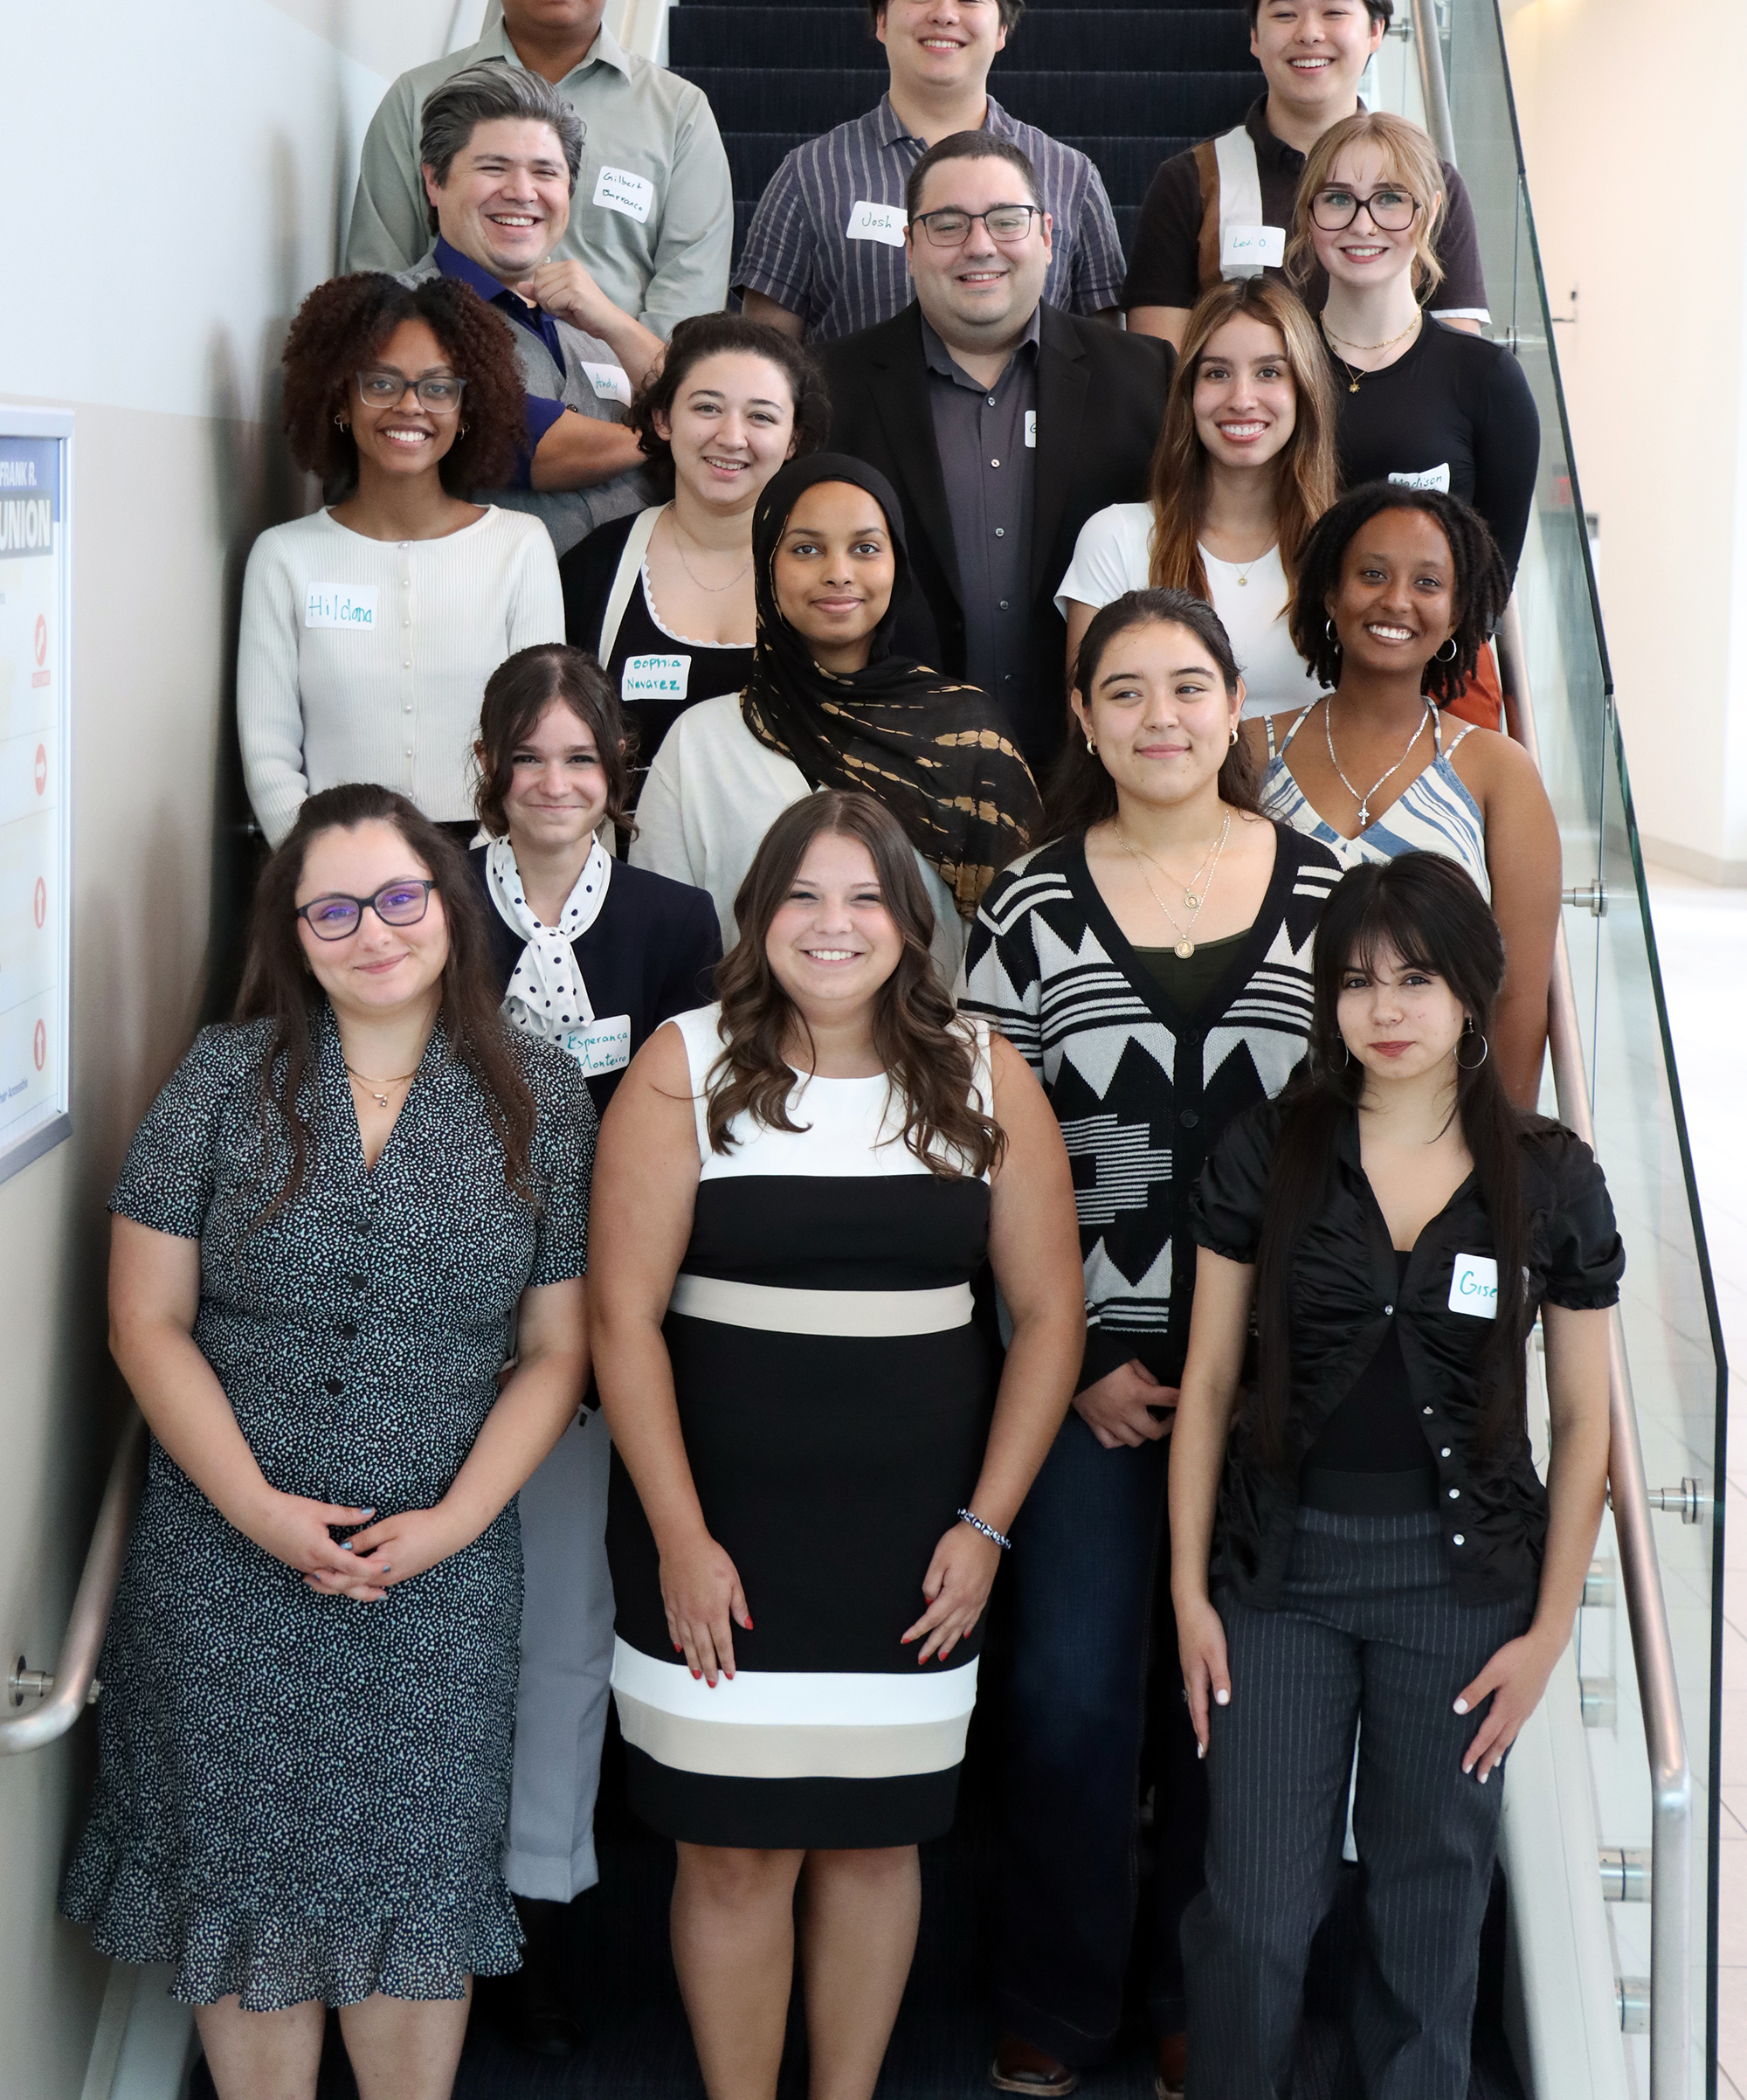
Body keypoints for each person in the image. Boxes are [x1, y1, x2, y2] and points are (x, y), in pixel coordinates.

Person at [60, 785, 592, 2099]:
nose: (374, 931)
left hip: (442, 1576)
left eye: (401, 897)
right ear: (295, 933)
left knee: (416, 1914)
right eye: (335, 909)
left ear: (448, 908)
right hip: (225, 1573)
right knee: (247, 1916)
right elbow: (143, 1322)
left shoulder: (543, 1094)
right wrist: (258, 1510)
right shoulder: (220, 1078)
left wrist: (456, 1523)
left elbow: (557, 1353)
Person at [590, 790, 1086, 2100]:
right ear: (757, 919)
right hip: (715, 1538)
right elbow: (620, 1321)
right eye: (803, 896)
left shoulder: (988, 1073)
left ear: (910, 925)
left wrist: (986, 1532)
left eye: (865, 896)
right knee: (732, 1854)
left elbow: (1047, 1322)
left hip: (918, 1546)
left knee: (876, 1846)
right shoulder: (679, 1064)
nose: (834, 923)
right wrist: (680, 1542)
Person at [961, 589, 1342, 2100]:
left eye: (1189, 686)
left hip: (1273, 1388)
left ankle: (1197, 1992)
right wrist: (1070, 1353)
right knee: (1066, 1690)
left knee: (1226, 1700)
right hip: (1084, 1377)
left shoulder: (1330, 899)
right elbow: (980, 1142)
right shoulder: (1032, 904)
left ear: (1236, 704)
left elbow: (1375, 1136)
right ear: (1087, 716)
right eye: (1126, 692)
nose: (1161, 716)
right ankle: (1056, 1999)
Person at [1171, 852, 1619, 2099]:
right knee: (1257, 1911)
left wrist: (1547, 1633)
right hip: (1281, 1576)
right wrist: (1189, 1592)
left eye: (1417, 978)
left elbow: (1585, 1422)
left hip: (1465, 1589)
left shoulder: (1552, 1173)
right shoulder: (1271, 1150)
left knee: (1432, 1913)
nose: (1387, 1009)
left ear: (1474, 992)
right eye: (1359, 981)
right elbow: (1206, 1388)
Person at [466, 645, 719, 2056]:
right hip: (461, 1318)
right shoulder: (429, 900)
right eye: (529, 758)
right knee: (456, 1621)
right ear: (489, 774)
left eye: (582, 759)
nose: (557, 785)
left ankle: (541, 1916)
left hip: (625, 1305)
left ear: (618, 773)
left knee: (568, 1621)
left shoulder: (674, 922)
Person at [821, 129, 1170, 772]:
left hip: (1097, 771)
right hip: (897, 768)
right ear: (909, 245)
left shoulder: (1145, 380)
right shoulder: (829, 389)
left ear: (1046, 235)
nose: (979, 245)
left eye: (1006, 221)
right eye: (948, 224)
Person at [632, 453, 1042, 986]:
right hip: (739, 1060)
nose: (838, 573)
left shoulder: (967, 737)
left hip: (931, 1059)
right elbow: (663, 950)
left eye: (866, 548)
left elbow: (1014, 954)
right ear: (766, 564)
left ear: (898, 564)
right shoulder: (699, 744)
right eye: (806, 549)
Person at [1245, 483, 1561, 1108]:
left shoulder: (1498, 771)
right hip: (1262, 1123)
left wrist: (1502, 1155)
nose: (1396, 601)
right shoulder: (1249, 752)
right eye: (1371, 574)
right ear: (1330, 594)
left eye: (1427, 583)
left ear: (1457, 610)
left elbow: (1521, 995)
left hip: (1436, 1130)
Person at [347, 0, 734, 345]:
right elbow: (379, 280)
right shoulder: (418, 98)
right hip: (456, 391)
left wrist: (646, 395)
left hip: (622, 400)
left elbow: (690, 294)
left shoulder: (678, 112)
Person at [238, 273, 563, 847]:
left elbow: (534, 736)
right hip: (334, 874)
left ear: (467, 410)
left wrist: (483, 878)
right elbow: (269, 758)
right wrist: (325, 873)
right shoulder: (284, 558)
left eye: (437, 389)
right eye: (382, 383)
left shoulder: (520, 547)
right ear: (340, 399)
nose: (409, 406)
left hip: (492, 866)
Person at [736, 0, 1125, 344]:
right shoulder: (809, 176)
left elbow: (1104, 357)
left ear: (1002, 29)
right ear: (882, 19)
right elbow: (763, 359)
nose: (944, 14)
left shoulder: (1070, 177)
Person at [1123, 0, 1488, 344]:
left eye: (1334, 12)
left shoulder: (1431, 185)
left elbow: (1462, 365)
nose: (1309, 33)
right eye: (1284, 13)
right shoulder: (1190, 181)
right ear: (1255, 37)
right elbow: (1160, 369)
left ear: (1375, 31)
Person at [398, 59, 659, 554]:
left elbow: (699, 396)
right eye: (494, 167)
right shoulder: (396, 311)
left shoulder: (591, 326)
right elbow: (525, 439)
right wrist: (671, 437)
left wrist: (616, 325)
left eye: (546, 172)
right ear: (435, 181)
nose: (522, 193)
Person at [559, 315, 829, 789]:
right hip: (627, 858)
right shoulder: (595, 567)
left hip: (791, 858)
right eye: (707, 408)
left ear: (793, 440)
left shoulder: (834, 575)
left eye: (761, 416)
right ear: (663, 419)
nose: (731, 436)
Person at [1056, 275, 1338, 724]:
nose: (1242, 399)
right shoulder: (1116, 538)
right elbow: (1089, 733)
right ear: (1187, 394)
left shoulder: (1347, 548)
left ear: (1304, 390)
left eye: (1269, 372)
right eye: (1217, 373)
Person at [1290, 111, 1540, 590]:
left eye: (1390, 200)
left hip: (1424, 656)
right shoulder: (1276, 365)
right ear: (1309, 213)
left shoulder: (1487, 379)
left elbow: (1489, 584)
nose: (1363, 225)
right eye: (1338, 199)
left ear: (1428, 214)